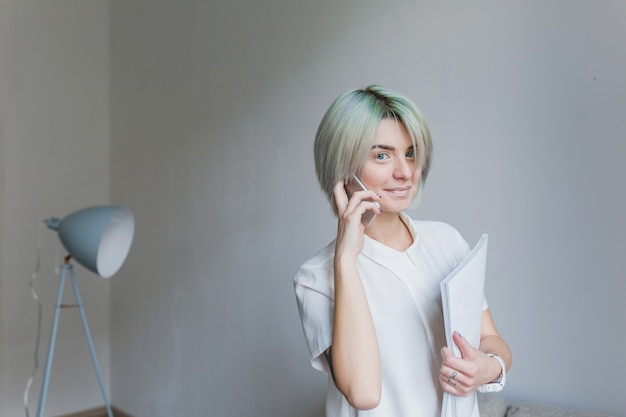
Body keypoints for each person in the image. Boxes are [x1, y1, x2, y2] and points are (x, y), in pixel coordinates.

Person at [294, 85, 511, 417]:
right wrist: (347, 259)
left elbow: (492, 341)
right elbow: (363, 393)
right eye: (382, 155)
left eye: (410, 153)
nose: (405, 172)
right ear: (343, 170)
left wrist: (489, 367)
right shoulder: (316, 277)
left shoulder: (447, 241)